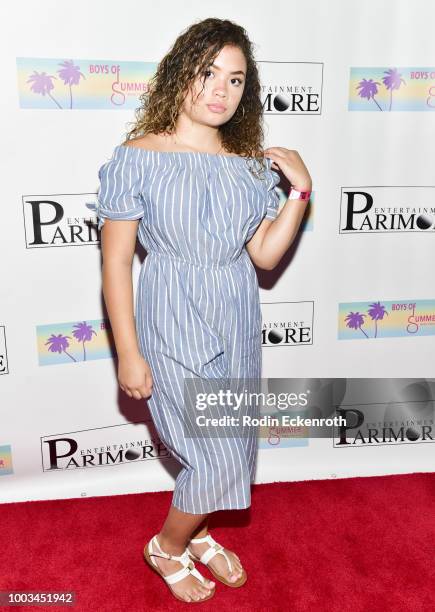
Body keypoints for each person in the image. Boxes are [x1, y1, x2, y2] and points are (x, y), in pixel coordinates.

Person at [87, 17, 311, 604]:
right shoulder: (138, 157)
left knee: (229, 444)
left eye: (235, 80)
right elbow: (115, 267)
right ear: (179, 75)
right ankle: (167, 546)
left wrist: (300, 194)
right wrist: (128, 354)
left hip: (234, 315)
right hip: (172, 316)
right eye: (207, 73)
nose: (221, 90)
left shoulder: (249, 164)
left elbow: (262, 255)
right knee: (211, 456)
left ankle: (200, 531)